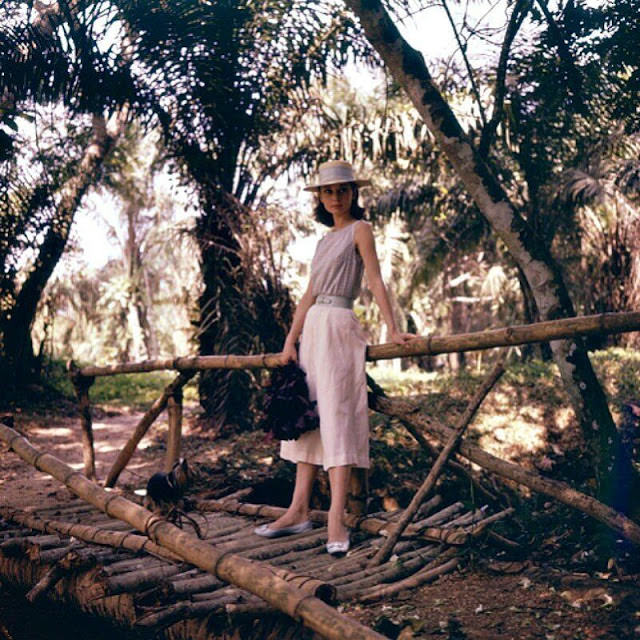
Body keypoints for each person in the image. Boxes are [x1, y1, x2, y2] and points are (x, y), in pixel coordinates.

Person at [254, 160, 415, 554]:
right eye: (328, 191)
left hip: (341, 326)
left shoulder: (361, 230)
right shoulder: (325, 241)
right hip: (313, 330)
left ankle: (337, 520)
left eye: (343, 190)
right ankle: (297, 510)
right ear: (321, 198)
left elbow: (375, 279)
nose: (336, 197)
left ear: (353, 194)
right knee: (309, 419)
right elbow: (308, 295)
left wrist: (393, 329)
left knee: (338, 417)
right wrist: (290, 340)